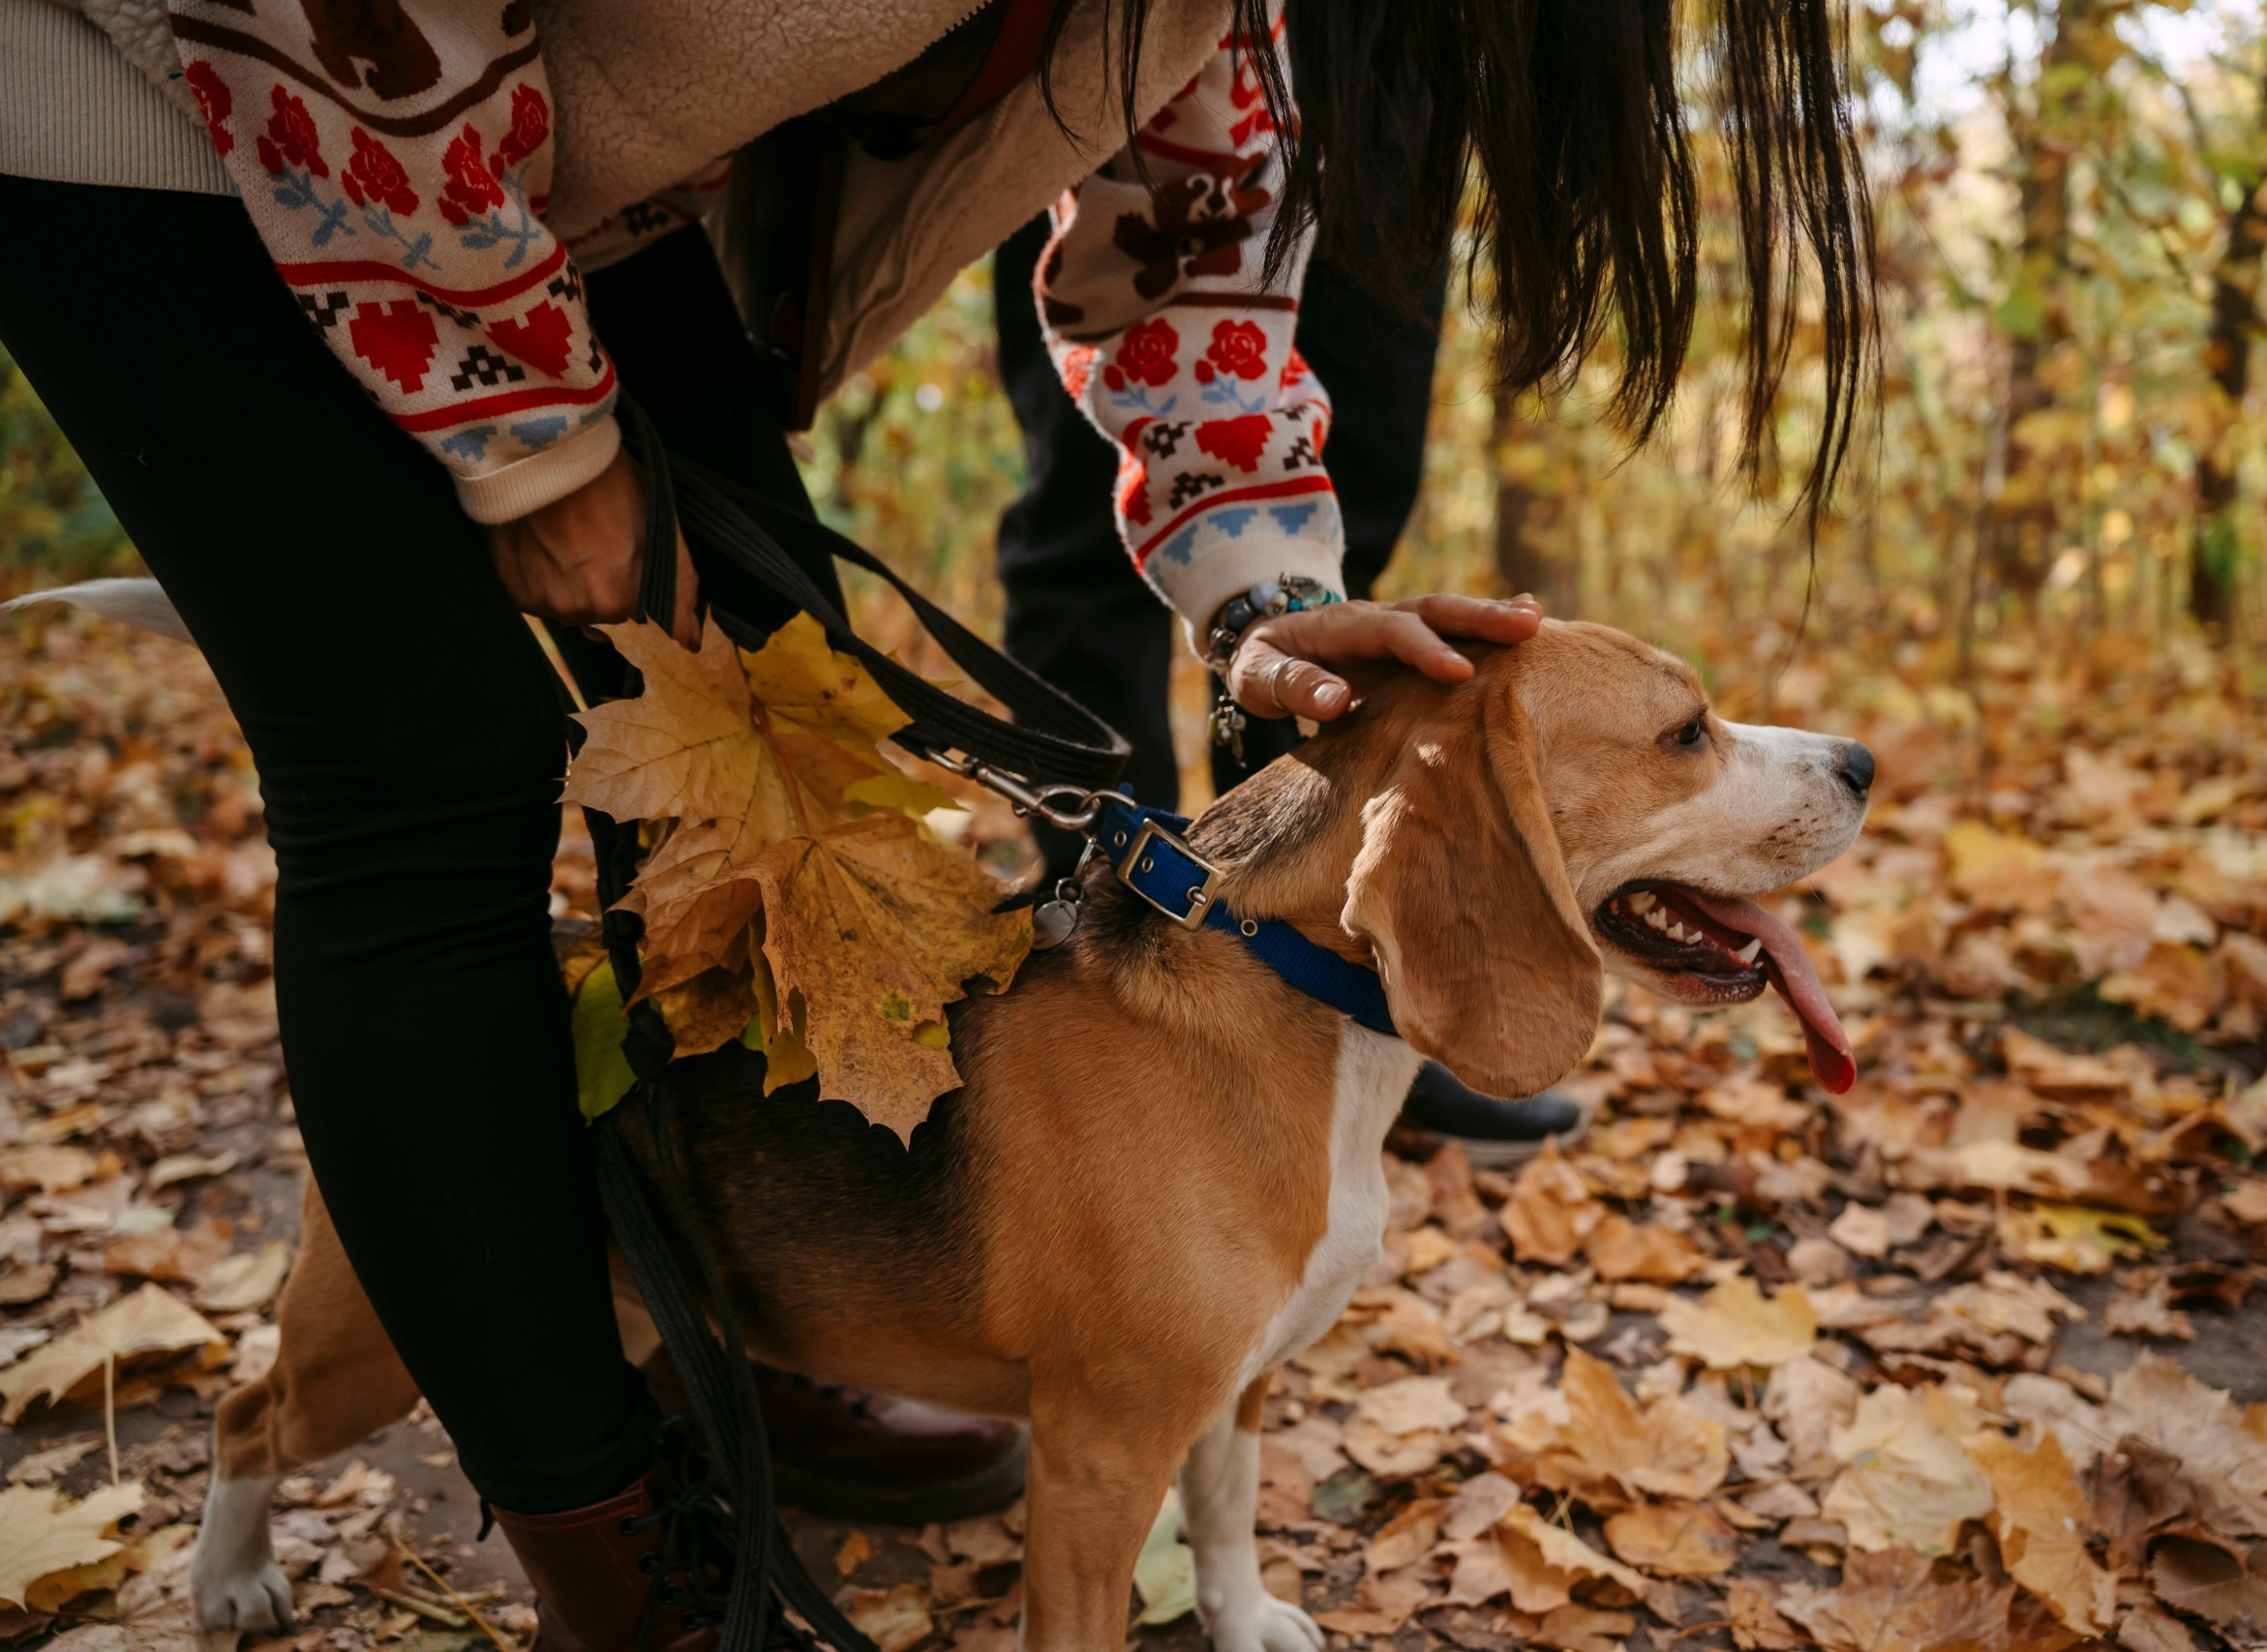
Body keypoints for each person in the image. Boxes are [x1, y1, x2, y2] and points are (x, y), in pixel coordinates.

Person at [0, 0, 1868, 1644]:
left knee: (777, 763)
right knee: (430, 784)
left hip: (573, 189)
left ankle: (750, 1332)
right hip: (179, 103)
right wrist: (537, 446)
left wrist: (1263, 598)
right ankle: (608, 1549)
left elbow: (1192, 260)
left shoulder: (1227, 21)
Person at [990, 218, 1588, 1164]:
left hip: (1368, 142)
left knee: (1360, 480)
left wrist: (1267, 601)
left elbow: (1202, 381)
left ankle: (1333, 987)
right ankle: (1108, 984)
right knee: (1083, 529)